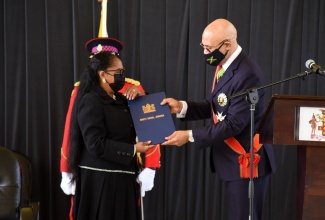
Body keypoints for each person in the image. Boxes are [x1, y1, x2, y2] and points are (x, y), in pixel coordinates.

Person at [161, 18, 276, 220]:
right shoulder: (225, 64)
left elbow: (233, 124)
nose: (205, 53)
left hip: (247, 160)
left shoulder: (247, 74)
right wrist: (182, 107)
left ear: (227, 45)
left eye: (208, 48)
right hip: (231, 160)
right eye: (203, 47)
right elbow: (214, 105)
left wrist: (188, 136)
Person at [65, 48, 156, 219]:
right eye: (118, 72)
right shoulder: (91, 100)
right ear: (103, 75)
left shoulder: (122, 100)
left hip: (123, 180)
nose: (123, 76)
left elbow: (152, 122)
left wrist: (143, 98)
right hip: (100, 183)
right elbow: (95, 144)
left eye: (123, 71)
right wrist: (133, 149)